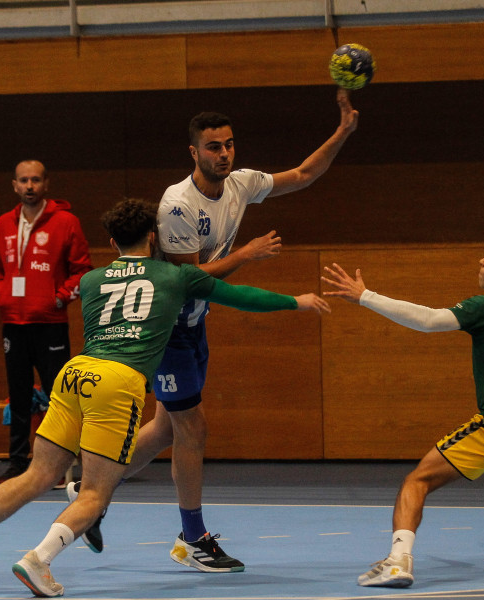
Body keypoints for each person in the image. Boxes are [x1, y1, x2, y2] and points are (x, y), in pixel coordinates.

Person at [0, 198, 329, 596]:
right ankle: (38, 560)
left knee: (35, 475)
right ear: (153, 237)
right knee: (95, 493)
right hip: (117, 382)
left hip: (75, 373)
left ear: (112, 242)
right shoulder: (176, 277)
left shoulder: (90, 280)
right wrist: (296, 302)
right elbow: (239, 295)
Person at [69, 88, 359, 572]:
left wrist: (342, 132)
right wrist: (247, 254)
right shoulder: (178, 206)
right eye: (213, 147)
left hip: (195, 325)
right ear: (194, 152)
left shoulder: (242, 183)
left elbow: (304, 175)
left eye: (228, 144)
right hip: (165, 328)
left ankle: (87, 487)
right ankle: (193, 539)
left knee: (164, 429)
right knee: (193, 427)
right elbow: (192, 280)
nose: (223, 153)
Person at [320, 234, 484, 588]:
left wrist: (365, 296)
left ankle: (397, 561)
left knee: (416, 481)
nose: (482, 262)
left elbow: (430, 320)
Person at [0, 159, 93, 489]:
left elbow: (82, 270)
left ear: (46, 183)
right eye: (23, 180)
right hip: (13, 323)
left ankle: (62, 467)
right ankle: (18, 464)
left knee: (58, 395)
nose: (29, 186)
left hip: (50, 323)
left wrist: (59, 298)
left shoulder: (66, 222)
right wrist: (3, 296)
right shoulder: (3, 224)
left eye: (35, 180)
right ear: (14, 185)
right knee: (18, 396)